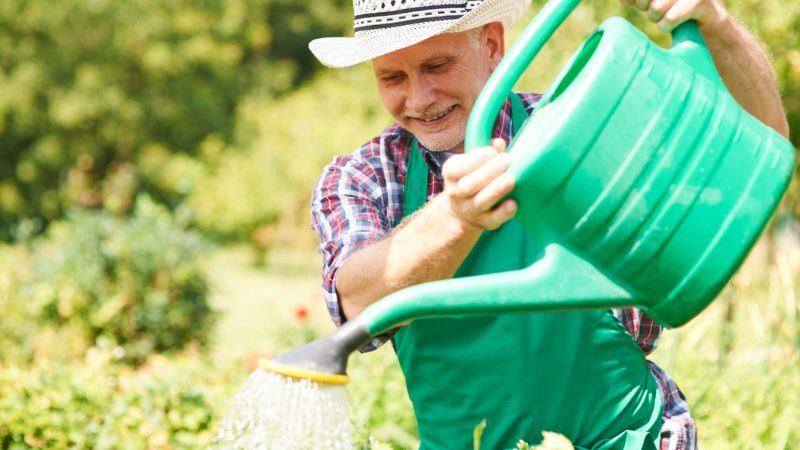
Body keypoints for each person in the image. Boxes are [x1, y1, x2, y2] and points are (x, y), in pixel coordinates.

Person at [308, 0, 789, 448]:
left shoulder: (582, 123)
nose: (419, 96)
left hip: (627, 436)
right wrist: (456, 216)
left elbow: (760, 142)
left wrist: (717, 28)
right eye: (393, 77)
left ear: (492, 44)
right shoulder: (363, 175)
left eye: (437, 66)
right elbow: (356, 301)